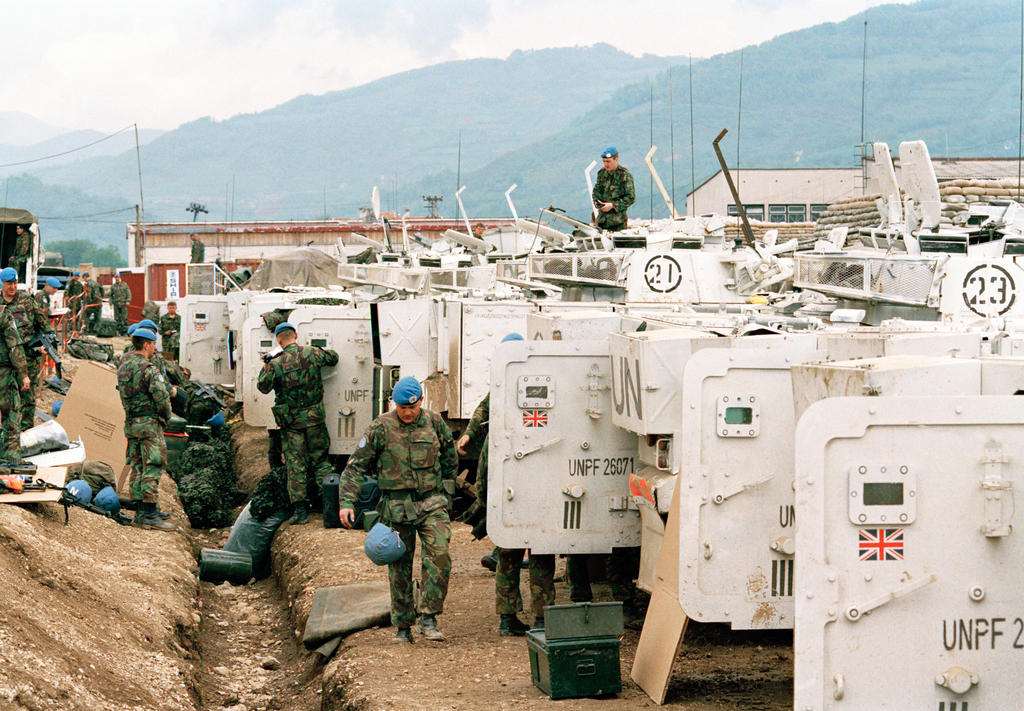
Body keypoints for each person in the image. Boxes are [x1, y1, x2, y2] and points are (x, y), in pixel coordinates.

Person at [339, 377, 456, 643]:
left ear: (421, 402)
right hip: (396, 506)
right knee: (399, 565)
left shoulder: (435, 422)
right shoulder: (380, 427)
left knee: (439, 555)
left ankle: (429, 617)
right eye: (401, 407)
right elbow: (355, 467)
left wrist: (447, 494)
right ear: (394, 403)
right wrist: (347, 502)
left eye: (411, 407)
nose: (406, 412)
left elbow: (450, 457)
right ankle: (403, 626)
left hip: (431, 503)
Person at [456, 333, 555, 635]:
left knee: (522, 553)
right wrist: (470, 435)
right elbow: (481, 413)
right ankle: (532, 619)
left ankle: (519, 618)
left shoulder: (509, 387)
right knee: (532, 553)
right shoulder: (532, 384)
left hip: (520, 483)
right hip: (526, 482)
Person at [256, 322, 338, 524]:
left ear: (278, 340)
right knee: (321, 461)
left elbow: (263, 387)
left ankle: (300, 511)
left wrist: (266, 364)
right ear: (296, 335)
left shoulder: (275, 363)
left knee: (295, 464)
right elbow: (334, 358)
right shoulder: (312, 353)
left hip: (291, 422)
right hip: (315, 418)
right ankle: (330, 506)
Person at [116, 326, 175, 531]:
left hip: (131, 423)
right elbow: (162, 398)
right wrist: (165, 417)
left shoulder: (123, 365)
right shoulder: (149, 369)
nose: (154, 348)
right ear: (146, 344)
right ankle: (149, 513)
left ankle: (142, 510)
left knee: (137, 465)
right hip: (149, 423)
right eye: (153, 344)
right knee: (152, 464)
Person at [2, 267, 55, 430]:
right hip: (6, 358)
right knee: (6, 397)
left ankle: (26, 430)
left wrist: (48, 343)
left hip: (29, 356)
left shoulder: (26, 299)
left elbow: (43, 324)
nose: (13, 287)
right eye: (9, 284)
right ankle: (9, 431)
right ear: (2, 284)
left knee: (27, 396)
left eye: (15, 283)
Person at [0, 278, 29, 462]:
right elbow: (14, 347)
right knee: (11, 415)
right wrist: (23, 374)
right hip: (4, 373)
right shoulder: (3, 314)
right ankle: (10, 460)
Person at [591, 146, 635, 232]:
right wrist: (597, 202)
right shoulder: (601, 174)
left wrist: (612, 205)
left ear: (616, 159)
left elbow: (631, 198)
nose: (606, 164)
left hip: (618, 224)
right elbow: (596, 191)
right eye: (604, 161)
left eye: (608, 161)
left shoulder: (625, 175)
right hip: (601, 222)